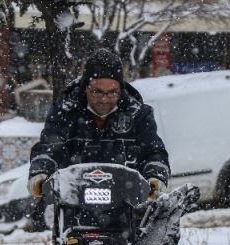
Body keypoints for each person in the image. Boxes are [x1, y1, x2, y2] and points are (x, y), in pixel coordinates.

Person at [27, 48, 169, 199]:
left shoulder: (138, 115)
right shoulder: (65, 112)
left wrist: (155, 178)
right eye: (97, 91)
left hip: (126, 205)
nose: (104, 99)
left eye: (112, 92)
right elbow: (49, 148)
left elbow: (153, 152)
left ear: (120, 89)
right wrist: (40, 174)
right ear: (85, 87)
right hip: (71, 203)